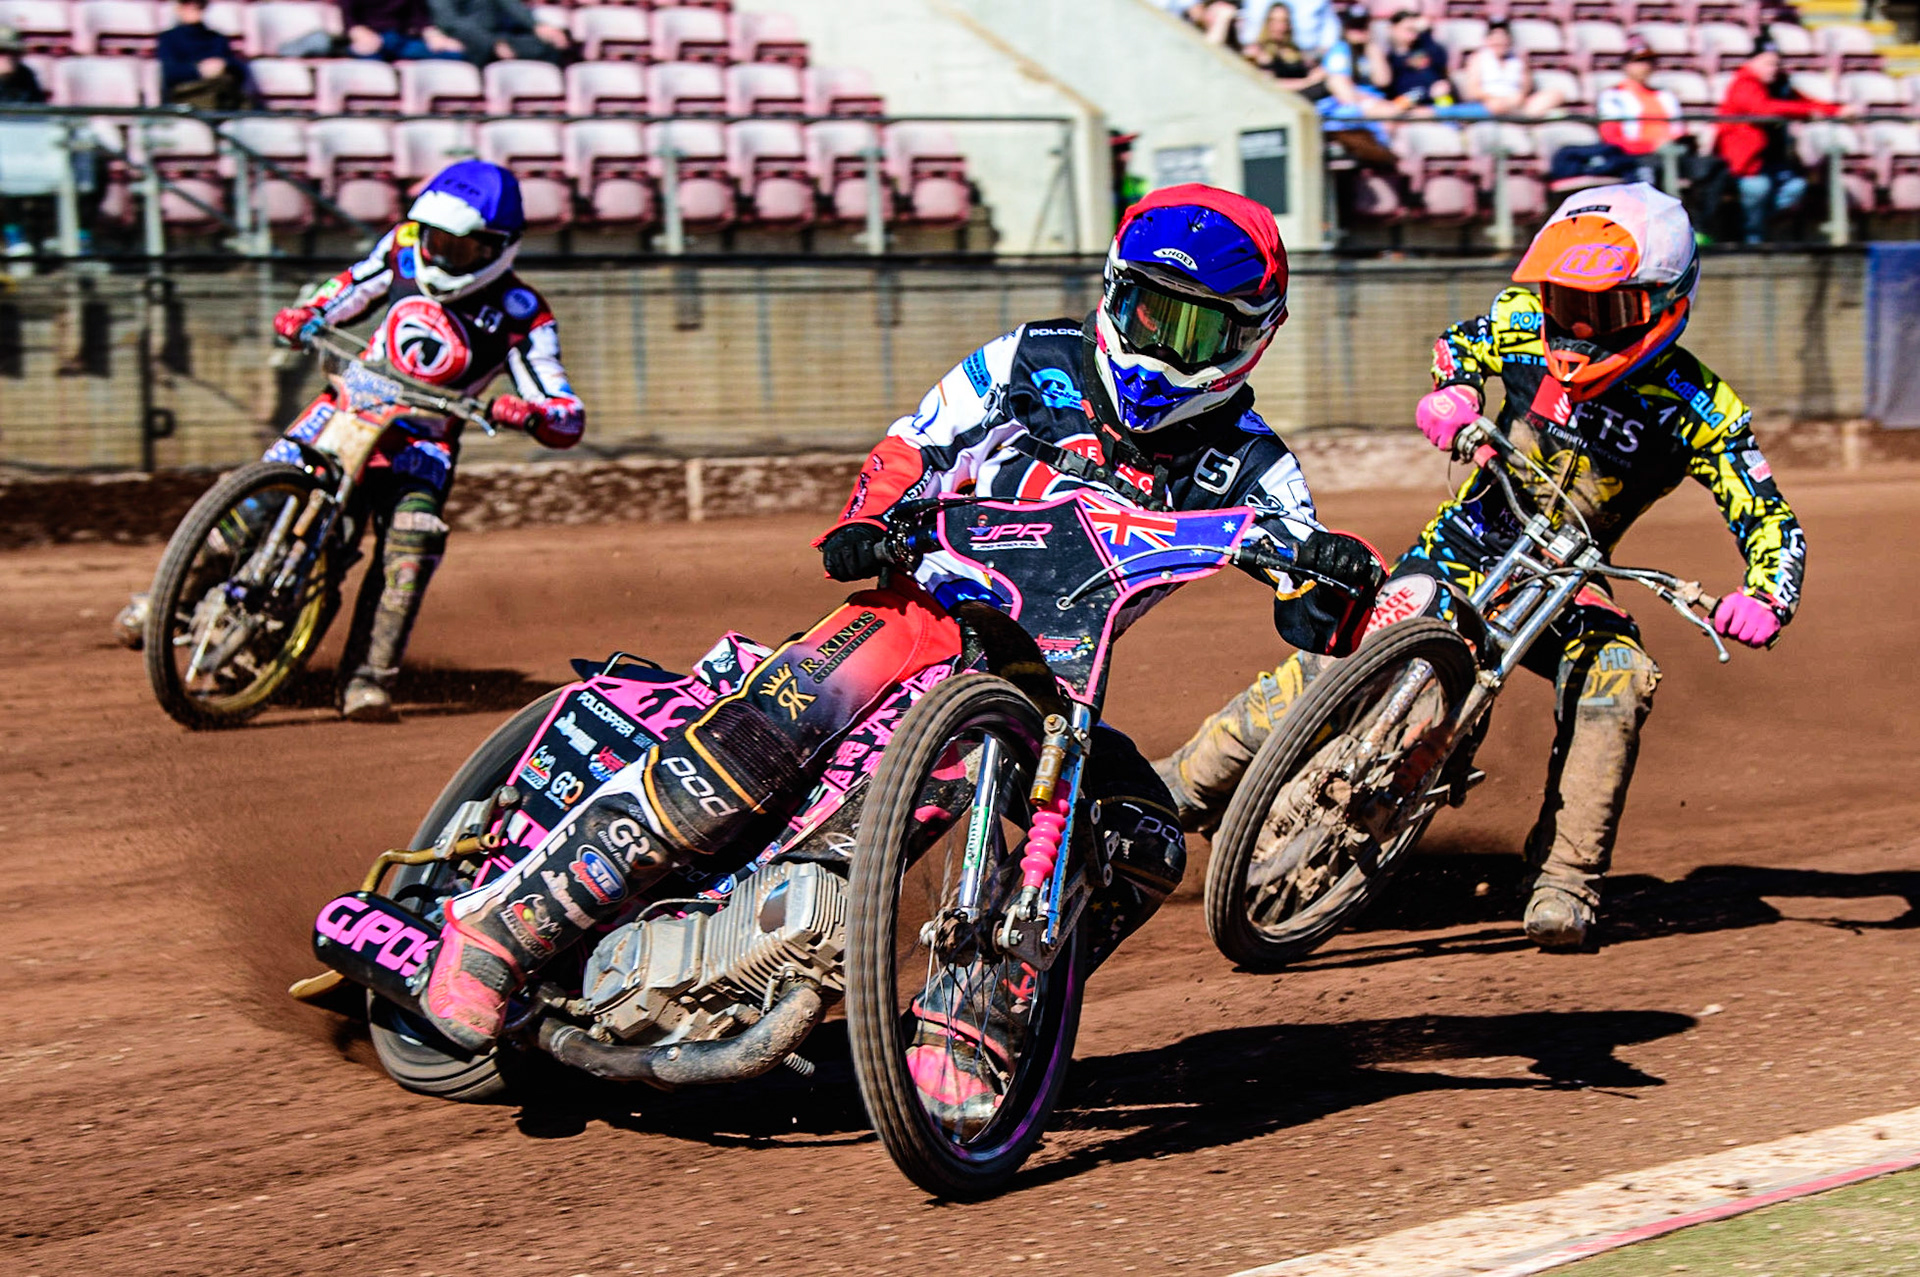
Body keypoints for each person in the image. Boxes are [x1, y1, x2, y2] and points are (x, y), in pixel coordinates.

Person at [410, 186, 1387, 1115]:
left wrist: (1337, 583)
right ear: (1111, 290)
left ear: (1252, 336)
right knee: (751, 738)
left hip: (1048, 679)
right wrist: (867, 518)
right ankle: (499, 928)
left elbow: (1312, 606)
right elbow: (918, 441)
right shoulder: (1029, 358)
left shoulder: (1257, 464)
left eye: (1199, 328)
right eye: (1148, 311)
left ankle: (974, 1016)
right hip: (922, 609)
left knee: (1142, 839)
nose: (1164, 347)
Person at [1154, 184, 1805, 952]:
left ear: (1664, 303)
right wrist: (1455, 390)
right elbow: (1458, 345)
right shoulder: (1524, 322)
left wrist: (1768, 592)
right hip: (1466, 539)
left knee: (1619, 674)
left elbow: (1772, 521)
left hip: (1570, 575)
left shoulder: (1700, 406)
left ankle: (1565, 877)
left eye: (1606, 312)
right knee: (1350, 643)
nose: (1577, 329)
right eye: (1565, 302)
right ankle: (1182, 784)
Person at [119, 162, 585, 713]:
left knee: (412, 541)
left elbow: (565, 410)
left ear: (496, 247)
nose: (439, 253)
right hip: (349, 402)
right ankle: (170, 601)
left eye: (457, 248)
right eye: (435, 238)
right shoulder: (405, 247)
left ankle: (368, 676)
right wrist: (309, 313)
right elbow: (349, 287)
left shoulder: (522, 315)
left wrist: (532, 415)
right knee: (257, 497)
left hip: (421, 439)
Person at [1716, 41, 1857, 243]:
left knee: (1796, 186)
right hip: (1745, 164)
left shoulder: (1779, 85)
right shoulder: (1743, 84)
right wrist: (1808, 112)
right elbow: (1763, 109)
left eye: (1776, 64)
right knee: (1758, 188)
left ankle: (1749, 225)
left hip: (1771, 162)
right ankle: (1750, 238)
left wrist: (1836, 110)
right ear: (1751, 63)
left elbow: (1804, 103)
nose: (1773, 69)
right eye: (1768, 63)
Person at [1459, 20, 1563, 117]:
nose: (1499, 44)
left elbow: (1526, 86)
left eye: (1502, 40)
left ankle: (1526, 116)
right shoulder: (1479, 58)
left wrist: (1519, 97)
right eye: (1495, 40)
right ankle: (1529, 117)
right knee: (1496, 106)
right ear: (1488, 40)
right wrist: (1493, 98)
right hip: (1491, 101)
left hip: (1516, 101)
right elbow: (1473, 90)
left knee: (1555, 95)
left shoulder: (1518, 59)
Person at [155, 0, 247, 110]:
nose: (193, 6)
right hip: (188, 97)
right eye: (187, 4)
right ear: (178, 8)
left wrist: (223, 65)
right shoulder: (169, 38)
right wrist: (199, 70)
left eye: (199, 4)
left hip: (222, 95)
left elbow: (239, 69)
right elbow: (169, 73)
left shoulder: (217, 38)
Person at [427, 0, 571, 66]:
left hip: (498, 36)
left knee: (550, 44)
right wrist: (492, 44)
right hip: (465, 39)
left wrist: (537, 26)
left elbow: (512, 6)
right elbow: (450, 22)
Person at [1369, 10, 1453, 109]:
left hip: (1436, 102)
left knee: (1445, 98)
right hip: (1404, 106)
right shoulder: (1388, 57)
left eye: (1415, 30)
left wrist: (1426, 32)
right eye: (1408, 29)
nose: (1412, 34)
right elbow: (1386, 87)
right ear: (1392, 28)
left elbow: (1440, 62)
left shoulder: (1427, 48)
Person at [1245, 3, 1329, 99]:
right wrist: (1307, 81)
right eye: (1273, 20)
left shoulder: (1295, 52)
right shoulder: (1256, 52)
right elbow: (1266, 84)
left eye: (1283, 21)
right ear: (1266, 23)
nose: (1279, 27)